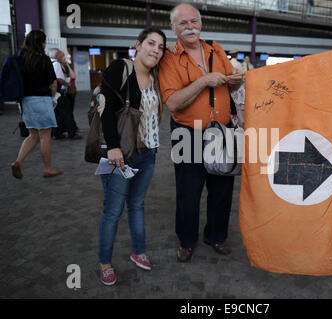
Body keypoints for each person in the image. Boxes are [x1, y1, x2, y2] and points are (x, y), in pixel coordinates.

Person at [158, 3, 243, 262]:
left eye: (193, 21)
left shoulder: (215, 49)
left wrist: (236, 80)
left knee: (222, 188)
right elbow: (172, 102)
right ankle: (186, 241)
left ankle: (216, 235)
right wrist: (204, 81)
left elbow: (229, 80)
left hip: (222, 131)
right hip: (188, 134)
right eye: (182, 23)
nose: (190, 27)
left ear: (201, 24)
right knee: (188, 192)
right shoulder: (169, 58)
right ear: (173, 29)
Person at [97, 27, 166, 286]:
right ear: (138, 44)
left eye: (160, 47)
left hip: (148, 153)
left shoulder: (157, 77)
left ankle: (138, 251)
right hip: (120, 155)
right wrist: (113, 147)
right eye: (151, 43)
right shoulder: (120, 68)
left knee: (137, 205)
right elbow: (104, 107)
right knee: (112, 211)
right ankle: (105, 262)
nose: (155, 50)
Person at [10, 30, 62, 179]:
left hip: (26, 101)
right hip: (41, 100)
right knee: (45, 135)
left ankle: (18, 162)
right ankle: (48, 168)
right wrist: (53, 96)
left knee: (33, 135)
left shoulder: (21, 58)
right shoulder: (44, 59)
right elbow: (53, 82)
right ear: (41, 42)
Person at [49, 48, 81, 139]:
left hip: (54, 93)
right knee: (67, 113)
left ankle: (57, 133)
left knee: (57, 113)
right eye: (61, 55)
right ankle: (71, 132)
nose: (63, 57)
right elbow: (59, 79)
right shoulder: (56, 64)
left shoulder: (50, 63)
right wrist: (67, 84)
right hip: (59, 93)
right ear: (56, 56)